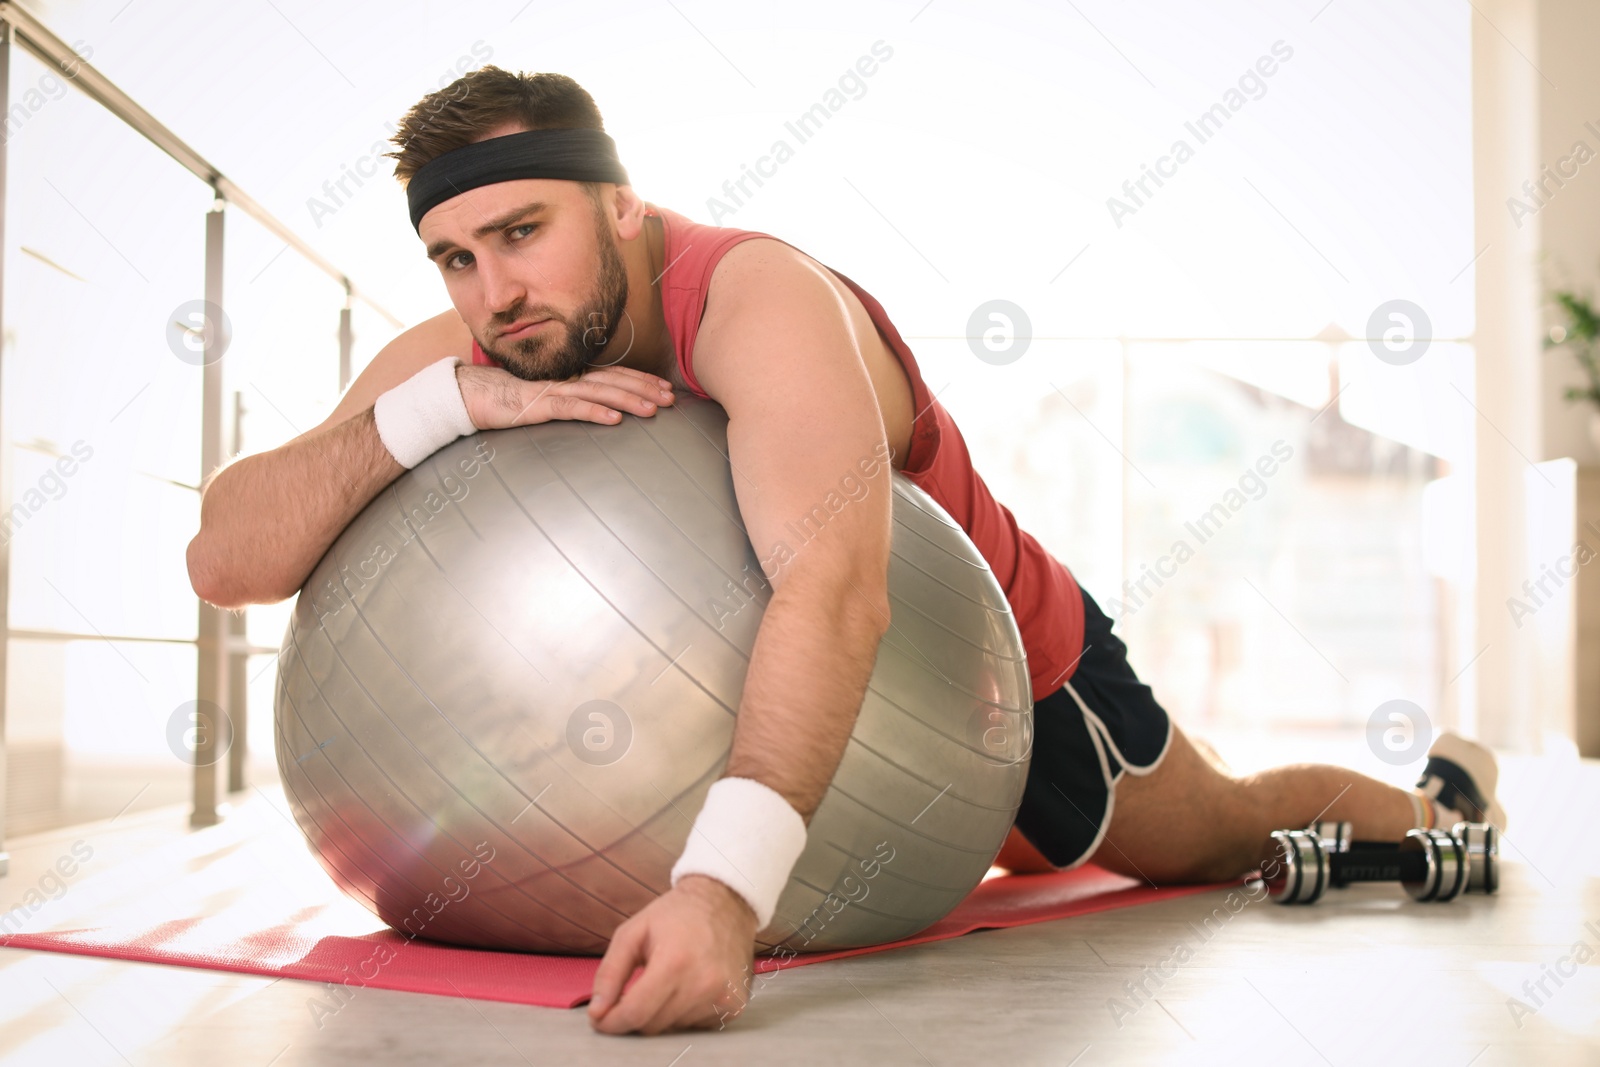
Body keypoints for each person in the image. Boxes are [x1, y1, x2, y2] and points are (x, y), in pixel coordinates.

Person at [184, 67, 1506, 1037]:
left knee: (1218, 831)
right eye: (454, 258)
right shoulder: (470, 356)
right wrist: (436, 411)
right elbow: (225, 555)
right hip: (759, 728)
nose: (493, 293)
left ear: (622, 205)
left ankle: (1447, 807)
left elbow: (833, 594)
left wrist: (717, 894)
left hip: (991, 678)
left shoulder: (758, 303)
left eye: (524, 233)